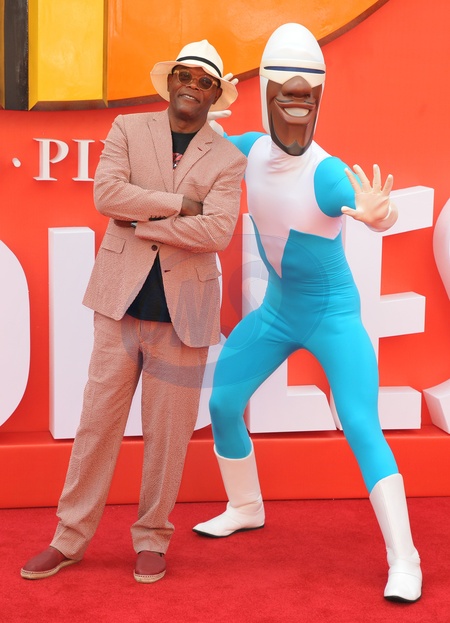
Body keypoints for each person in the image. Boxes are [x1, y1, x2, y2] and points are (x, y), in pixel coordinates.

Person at [193, 24, 422, 603]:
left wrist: (380, 214)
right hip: (276, 312)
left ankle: (405, 557)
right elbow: (207, 147)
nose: (297, 109)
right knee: (222, 403)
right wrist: (202, 121)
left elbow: (370, 205)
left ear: (319, 98)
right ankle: (246, 505)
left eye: (306, 97)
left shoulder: (325, 173)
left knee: (360, 423)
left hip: (331, 317)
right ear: (269, 94)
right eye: (286, 96)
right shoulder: (250, 150)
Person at [20, 40, 247, 584]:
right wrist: (179, 206)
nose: (192, 85)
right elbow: (106, 195)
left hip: (185, 315)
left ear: (215, 95)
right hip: (118, 306)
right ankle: (68, 538)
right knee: (95, 427)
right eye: (184, 75)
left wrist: (141, 221)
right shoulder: (127, 128)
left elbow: (217, 231)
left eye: (205, 81)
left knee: (167, 438)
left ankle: (152, 537)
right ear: (170, 81)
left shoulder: (229, 158)